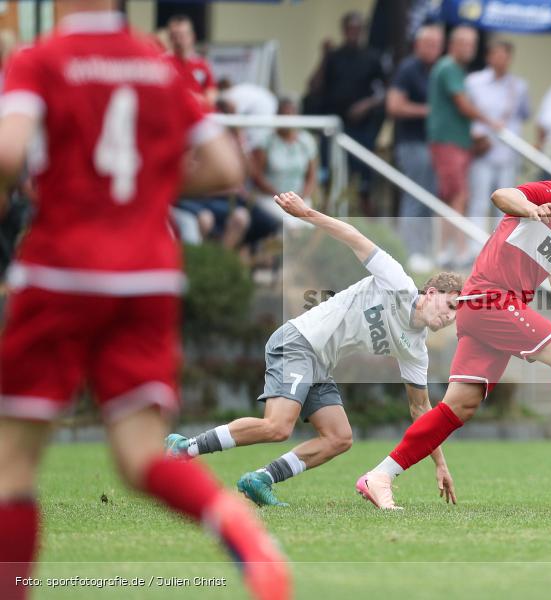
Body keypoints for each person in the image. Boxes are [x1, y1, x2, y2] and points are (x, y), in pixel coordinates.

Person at [0, 3, 290, 600]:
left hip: (63, 272)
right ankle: (238, 527)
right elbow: (225, 164)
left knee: (12, 464)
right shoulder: (158, 68)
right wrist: (148, 183)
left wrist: (62, 176)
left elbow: (9, 153)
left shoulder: (42, 60)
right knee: (139, 458)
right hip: (147, 276)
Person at [355, 144, 551, 510]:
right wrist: (533, 211)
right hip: (490, 299)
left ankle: (379, 476)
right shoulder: (550, 193)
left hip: (493, 310)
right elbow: (502, 195)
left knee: (460, 406)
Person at [166, 192, 463, 508]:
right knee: (277, 426)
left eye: (456, 314)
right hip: (298, 341)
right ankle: (186, 448)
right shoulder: (398, 283)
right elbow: (354, 237)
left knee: (339, 437)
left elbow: (421, 411)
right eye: (450, 305)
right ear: (431, 293)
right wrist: (306, 213)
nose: (450, 317)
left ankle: (260, 479)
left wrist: (440, 463)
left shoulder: (416, 349)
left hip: (319, 361)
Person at [428, 25, 497, 266]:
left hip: (456, 141)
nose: (469, 49)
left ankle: (447, 250)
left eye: (472, 44)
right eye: (465, 44)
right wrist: (490, 122)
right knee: (457, 195)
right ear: (453, 44)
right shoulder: (448, 67)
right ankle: (457, 250)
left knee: (453, 196)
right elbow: (462, 105)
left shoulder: (455, 69)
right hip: (448, 142)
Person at [308, 11, 385, 214]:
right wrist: (323, 57)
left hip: (362, 127)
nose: (353, 33)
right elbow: (314, 87)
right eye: (350, 29)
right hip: (334, 126)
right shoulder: (333, 56)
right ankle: (328, 210)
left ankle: (366, 214)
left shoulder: (373, 57)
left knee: (364, 177)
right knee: (330, 173)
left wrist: (365, 105)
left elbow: (383, 93)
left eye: (357, 29)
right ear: (344, 30)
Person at [388, 24, 444, 271]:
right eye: (429, 44)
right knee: (415, 196)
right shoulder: (409, 68)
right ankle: (410, 251)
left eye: (437, 44)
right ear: (417, 45)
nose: (433, 49)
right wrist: (429, 112)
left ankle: (424, 252)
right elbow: (394, 106)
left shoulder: (439, 69)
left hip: (433, 144)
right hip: (412, 143)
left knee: (428, 197)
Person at [465, 39, 530, 238]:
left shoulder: (518, 86)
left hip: (507, 155)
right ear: (489, 56)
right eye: (496, 54)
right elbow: (467, 113)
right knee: (479, 202)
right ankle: (475, 246)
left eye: (505, 55)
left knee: (506, 206)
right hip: (483, 152)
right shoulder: (474, 82)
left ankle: (500, 246)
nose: (500, 60)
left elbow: (524, 114)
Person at [166, 14, 217, 108]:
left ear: (192, 36)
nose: (178, 40)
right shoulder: (162, 63)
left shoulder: (202, 64)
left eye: (182, 35)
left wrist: (195, 99)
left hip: (197, 117)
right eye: (174, 35)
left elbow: (211, 98)